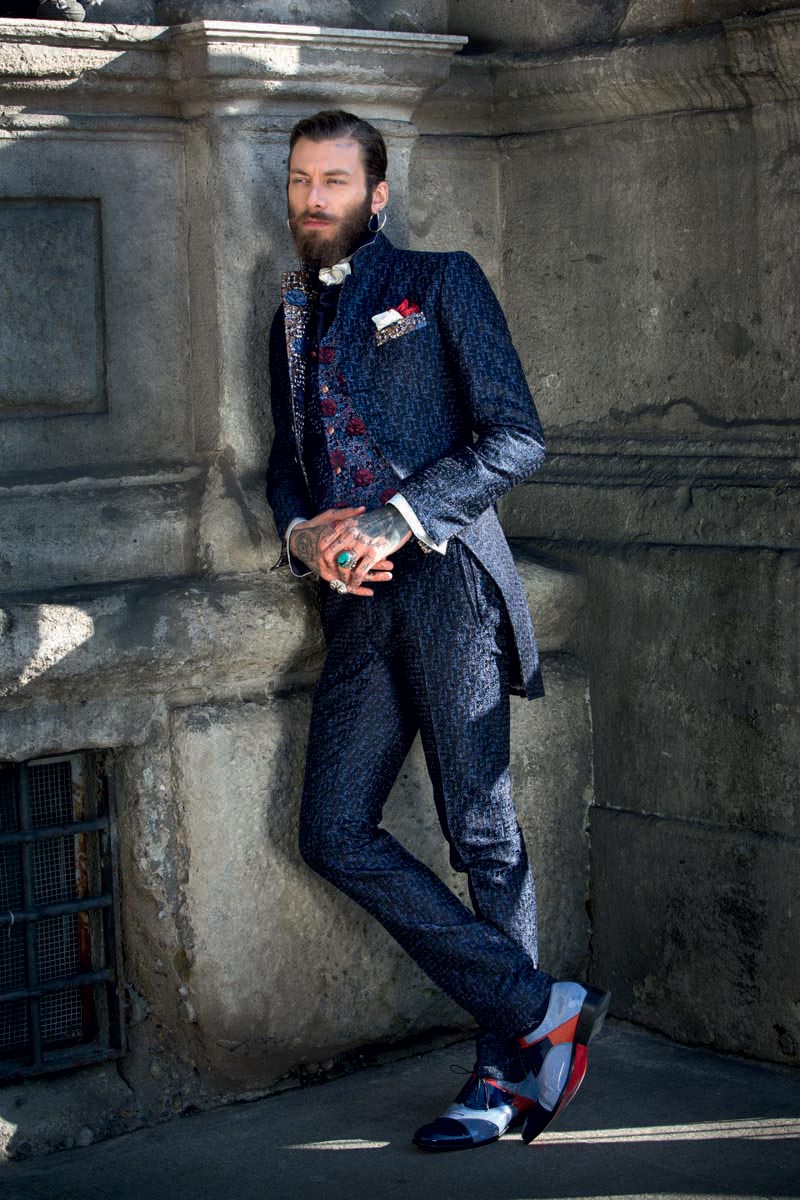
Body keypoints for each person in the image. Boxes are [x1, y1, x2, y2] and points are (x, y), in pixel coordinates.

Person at [266, 109, 610, 1151]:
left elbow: (516, 438)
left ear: (376, 195)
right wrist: (303, 537)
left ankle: (503, 1078)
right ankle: (538, 1006)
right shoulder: (288, 317)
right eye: (300, 179)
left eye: (334, 181)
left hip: (449, 581)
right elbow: (286, 463)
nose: (313, 198)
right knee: (331, 831)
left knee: (482, 834)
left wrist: (392, 518)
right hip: (353, 606)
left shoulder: (439, 281)